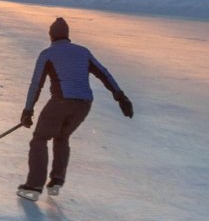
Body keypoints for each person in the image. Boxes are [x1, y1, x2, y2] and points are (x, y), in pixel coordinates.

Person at [17, 17, 133, 201]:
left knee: (40, 138)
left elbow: (35, 85)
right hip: (84, 104)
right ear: (67, 35)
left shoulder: (47, 54)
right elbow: (104, 73)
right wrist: (120, 96)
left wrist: (28, 110)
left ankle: (34, 186)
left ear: (51, 35)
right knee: (62, 137)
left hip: (61, 101)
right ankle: (56, 181)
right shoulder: (83, 52)